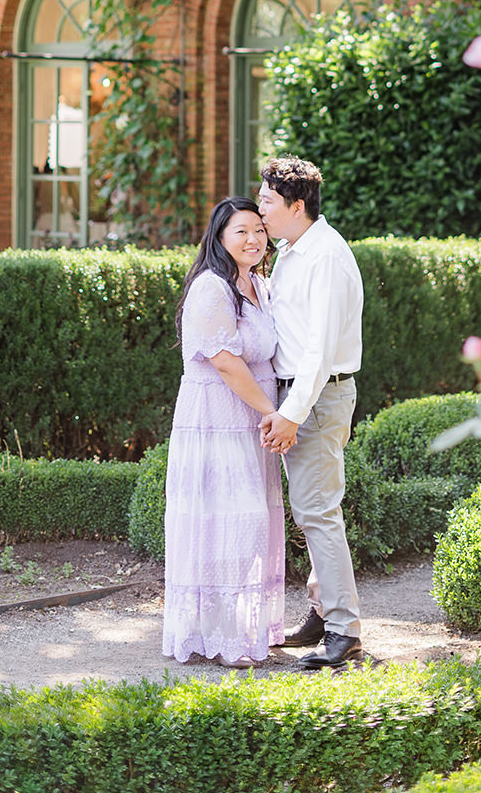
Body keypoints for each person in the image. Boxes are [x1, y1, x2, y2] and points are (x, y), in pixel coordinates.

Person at [162, 196, 288, 668]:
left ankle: (245, 629)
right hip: (219, 416)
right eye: (242, 231)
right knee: (232, 521)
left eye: (259, 229)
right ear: (219, 238)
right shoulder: (211, 288)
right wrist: (270, 413)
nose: (254, 239)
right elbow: (226, 362)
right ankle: (222, 636)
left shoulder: (260, 284)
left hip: (252, 419)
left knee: (253, 521)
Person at [258, 156, 364, 669]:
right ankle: (323, 614)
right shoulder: (292, 249)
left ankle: (344, 630)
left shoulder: (326, 255)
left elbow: (319, 351)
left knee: (319, 513)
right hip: (299, 395)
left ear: (296, 207)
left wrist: (292, 413)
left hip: (317, 397)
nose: (260, 208)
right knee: (314, 511)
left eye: (267, 201)